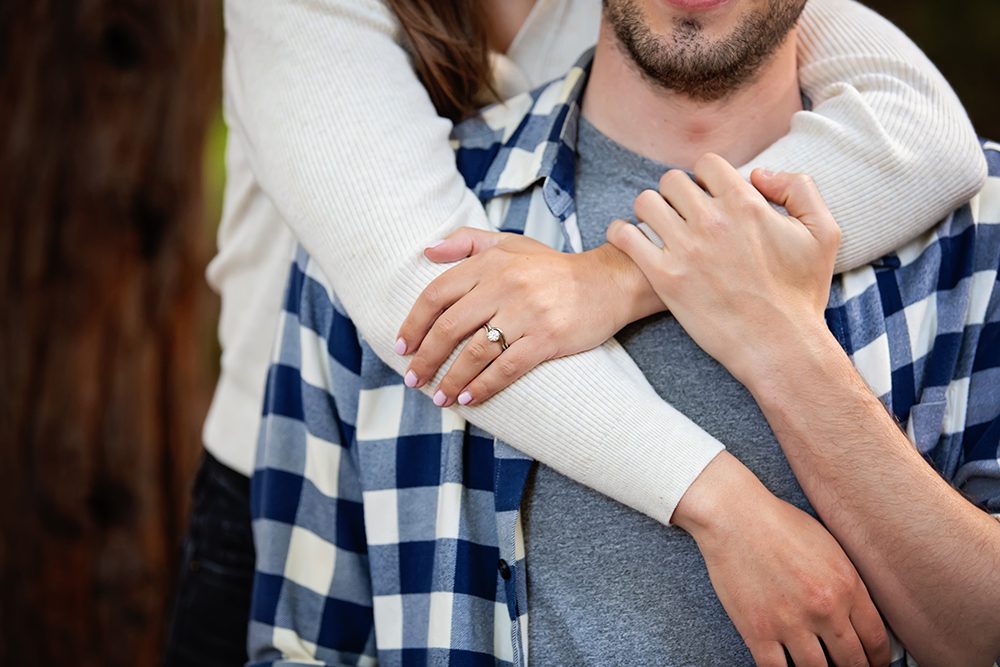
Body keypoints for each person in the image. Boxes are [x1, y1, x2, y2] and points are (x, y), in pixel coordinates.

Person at [165, 0, 987, 665]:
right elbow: (430, 299)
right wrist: (729, 509)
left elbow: (926, 128)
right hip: (288, 461)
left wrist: (633, 280)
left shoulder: (964, 241)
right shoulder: (322, 50)